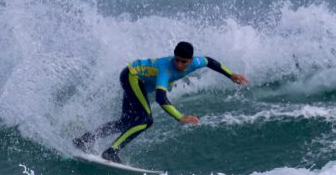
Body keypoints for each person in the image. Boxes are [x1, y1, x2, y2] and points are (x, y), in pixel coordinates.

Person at [74, 41, 249, 162]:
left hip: (137, 79)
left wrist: (230, 74)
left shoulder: (196, 61)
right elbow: (160, 97)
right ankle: (111, 152)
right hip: (132, 77)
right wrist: (180, 117)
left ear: (190, 59)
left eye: (184, 62)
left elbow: (210, 61)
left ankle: (85, 139)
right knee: (145, 120)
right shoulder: (166, 69)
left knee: (126, 123)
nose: (179, 64)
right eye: (177, 60)